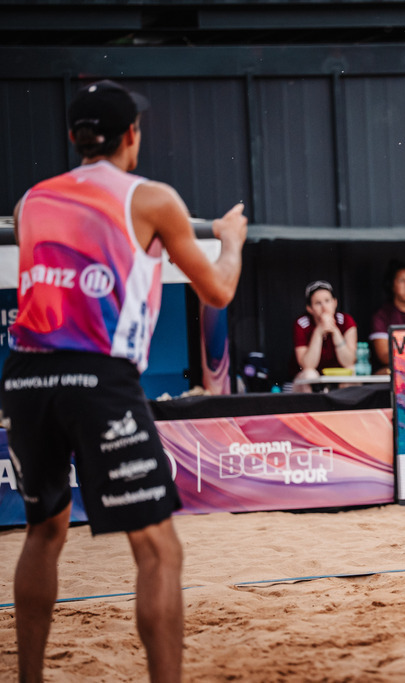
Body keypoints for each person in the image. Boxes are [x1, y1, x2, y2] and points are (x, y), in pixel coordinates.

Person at [0, 79, 247, 683]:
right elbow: (218, 290)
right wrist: (232, 241)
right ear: (131, 136)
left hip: (25, 375)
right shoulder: (152, 198)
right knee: (158, 549)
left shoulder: (30, 201)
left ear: (73, 136)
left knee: (44, 532)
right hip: (97, 376)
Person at [292, 279, 357, 390]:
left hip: (337, 376)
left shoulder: (345, 320)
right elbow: (307, 365)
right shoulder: (302, 324)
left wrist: (335, 331)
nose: (324, 307)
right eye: (318, 303)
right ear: (309, 308)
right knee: (309, 374)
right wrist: (318, 332)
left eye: (327, 301)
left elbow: (349, 361)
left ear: (335, 302)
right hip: (307, 380)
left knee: (351, 371)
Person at [369, 260, 405, 374]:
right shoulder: (383, 315)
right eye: (402, 281)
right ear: (392, 286)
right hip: (396, 371)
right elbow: (384, 356)